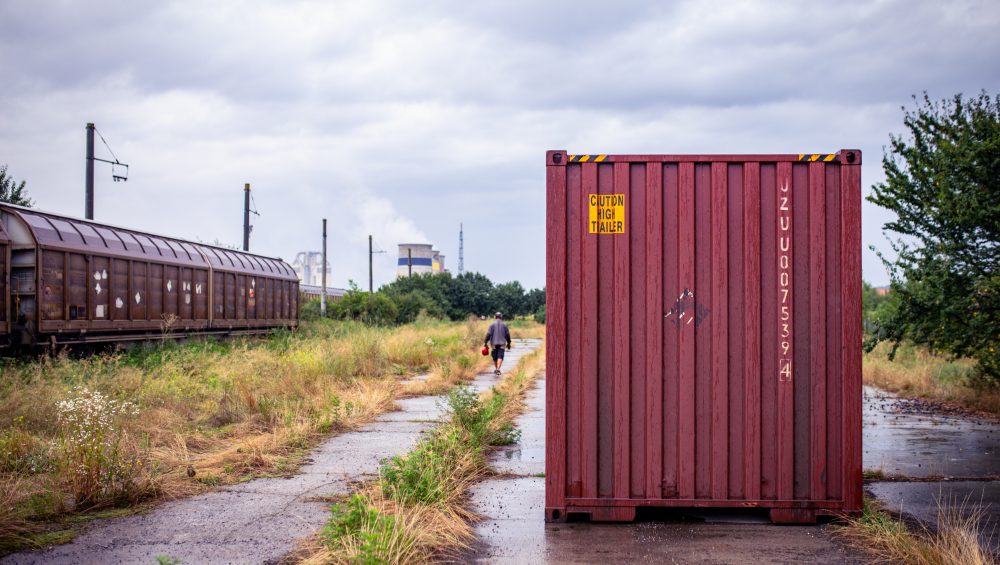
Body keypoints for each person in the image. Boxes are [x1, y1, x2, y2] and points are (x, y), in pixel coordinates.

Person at [484, 311, 512, 375]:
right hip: (502, 343)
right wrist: (509, 343)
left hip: (494, 343)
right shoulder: (504, 325)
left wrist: (485, 342)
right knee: (500, 356)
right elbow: (508, 335)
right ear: (501, 317)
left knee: (495, 357)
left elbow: (488, 334)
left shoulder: (492, 325)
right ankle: (498, 369)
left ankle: (497, 369)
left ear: (495, 317)